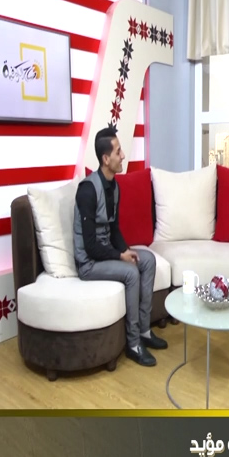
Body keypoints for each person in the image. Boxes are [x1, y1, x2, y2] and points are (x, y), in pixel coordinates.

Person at [73, 127, 168, 367]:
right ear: (106, 159)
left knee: (148, 260)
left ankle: (144, 331)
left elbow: (114, 229)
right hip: (89, 263)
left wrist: (126, 251)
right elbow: (90, 246)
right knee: (131, 272)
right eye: (118, 151)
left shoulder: (115, 187)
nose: (123, 155)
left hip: (106, 254)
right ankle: (133, 343)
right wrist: (120, 256)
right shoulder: (87, 191)